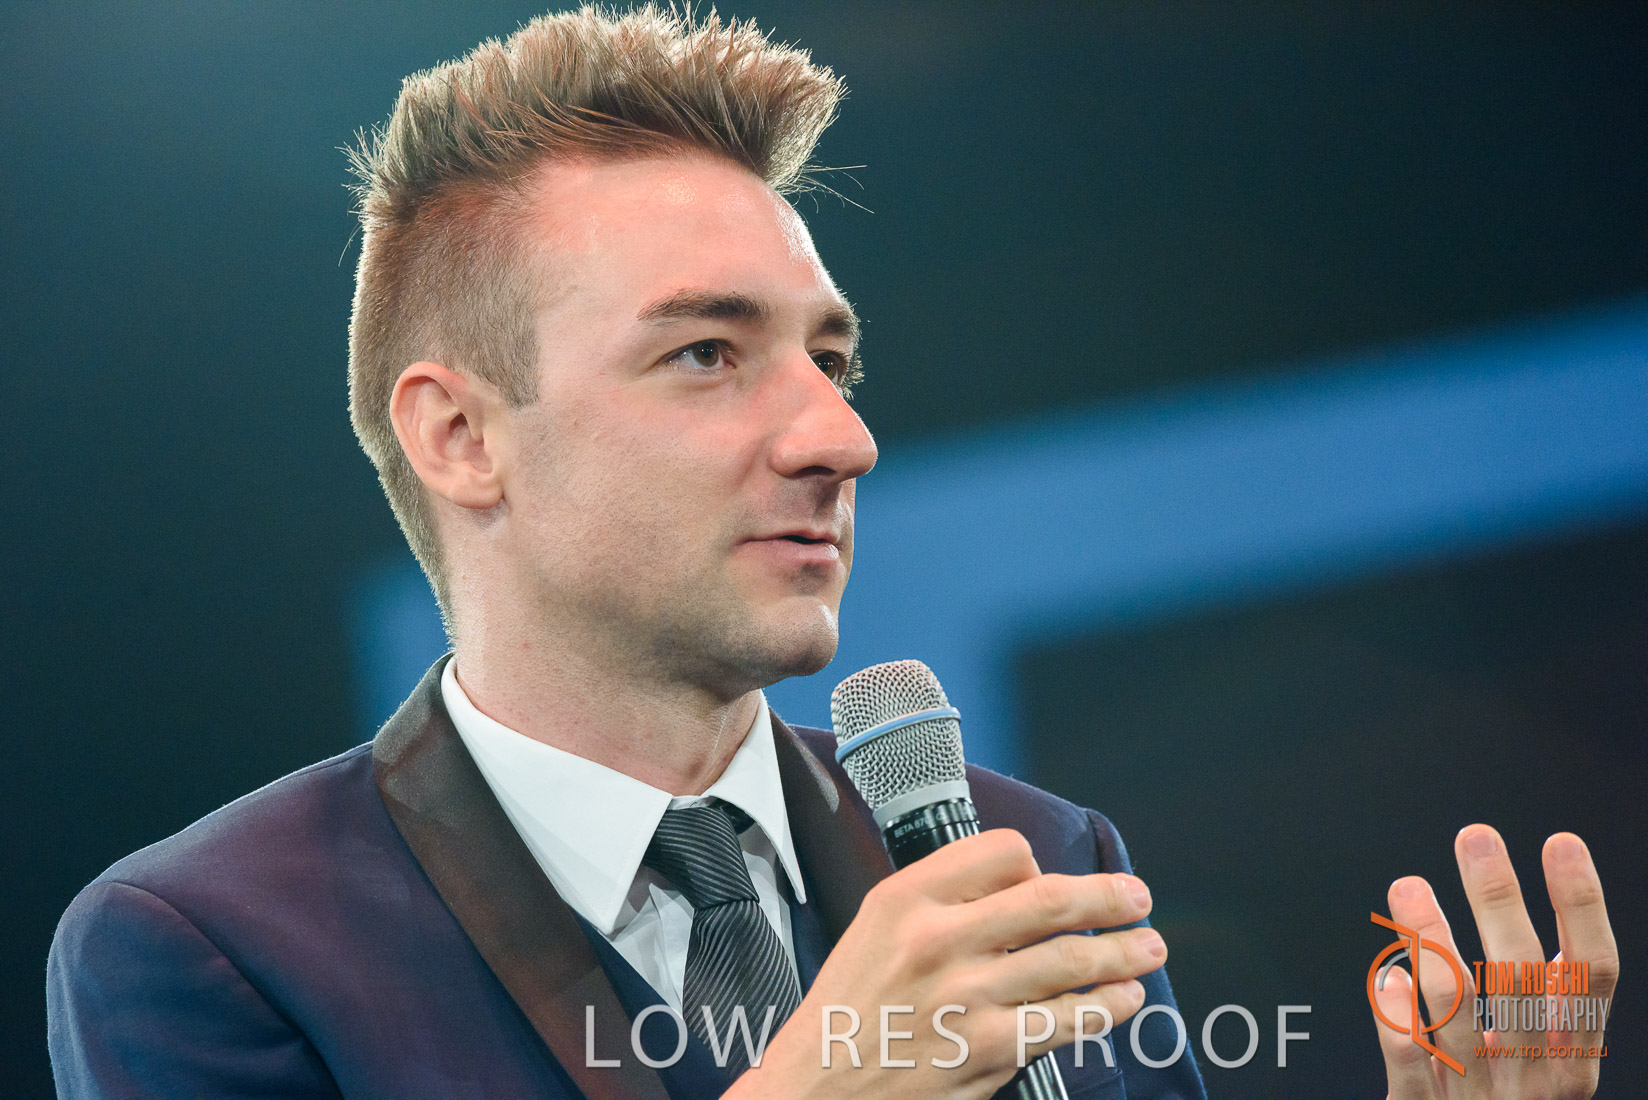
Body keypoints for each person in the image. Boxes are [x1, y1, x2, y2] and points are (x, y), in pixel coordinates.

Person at [45, 7, 1614, 1099]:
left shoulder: (1037, 861)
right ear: (460, 437)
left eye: (833, 360)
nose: (838, 437)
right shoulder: (218, 948)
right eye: (706, 355)